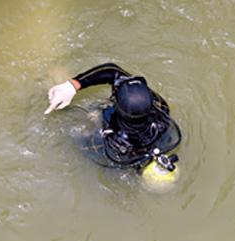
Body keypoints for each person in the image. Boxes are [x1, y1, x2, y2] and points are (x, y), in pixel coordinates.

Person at [45, 63, 181, 188]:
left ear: (117, 104)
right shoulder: (161, 109)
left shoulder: (103, 142)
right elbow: (115, 73)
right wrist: (73, 85)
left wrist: (72, 86)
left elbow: (112, 71)